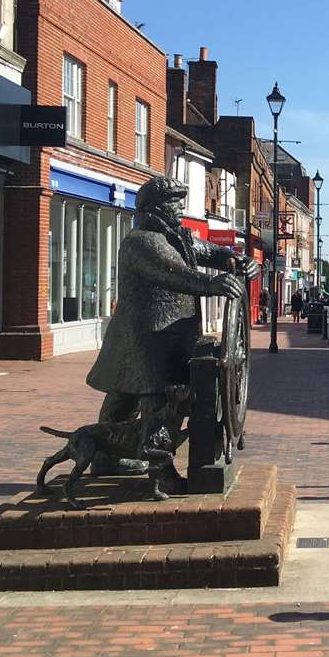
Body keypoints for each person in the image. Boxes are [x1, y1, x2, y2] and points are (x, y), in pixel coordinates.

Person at [85, 176, 257, 487]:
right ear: (156, 208)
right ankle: (159, 472)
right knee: (155, 404)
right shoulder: (142, 242)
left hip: (167, 336)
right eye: (174, 204)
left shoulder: (177, 238)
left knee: (123, 397)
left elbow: (211, 252)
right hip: (147, 338)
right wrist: (210, 284)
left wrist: (238, 260)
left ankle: (104, 456)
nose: (180, 209)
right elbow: (173, 274)